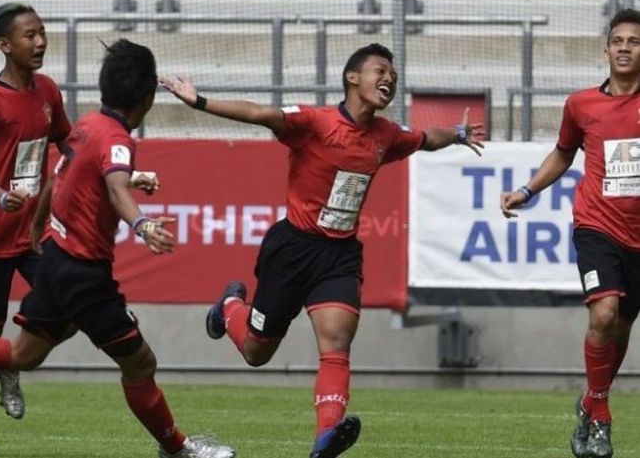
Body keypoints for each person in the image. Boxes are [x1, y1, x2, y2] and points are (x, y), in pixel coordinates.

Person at [159, 42, 485, 458]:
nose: (389, 78)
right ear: (352, 78)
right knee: (258, 352)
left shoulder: (386, 135)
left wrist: (456, 135)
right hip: (293, 249)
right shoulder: (315, 122)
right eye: (379, 70)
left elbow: (425, 139)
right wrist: (199, 101)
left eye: (393, 74)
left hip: (339, 254)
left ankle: (325, 439)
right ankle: (229, 307)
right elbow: (261, 114)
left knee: (337, 341)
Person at [0, 39, 235, 458]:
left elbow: (62, 178)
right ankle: (177, 448)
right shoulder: (117, 139)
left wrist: (40, 225)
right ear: (148, 99)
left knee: (22, 353)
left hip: (57, 259)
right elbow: (115, 187)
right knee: (140, 364)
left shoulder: (87, 125)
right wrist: (143, 223)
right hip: (83, 274)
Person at [499, 8, 640, 458]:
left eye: (633, 41)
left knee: (619, 327)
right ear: (606, 49)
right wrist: (527, 189)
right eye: (617, 40)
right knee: (602, 315)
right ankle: (601, 418)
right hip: (597, 225)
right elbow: (562, 155)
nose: (624, 47)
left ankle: (589, 401)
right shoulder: (582, 105)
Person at [0, 3, 72, 458]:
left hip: (36, 234)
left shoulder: (47, 90)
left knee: (74, 304)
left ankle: (12, 360)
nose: (40, 42)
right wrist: (1, 196)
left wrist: (119, 172)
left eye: (42, 32)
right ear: (5, 45)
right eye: (29, 35)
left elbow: (70, 141)